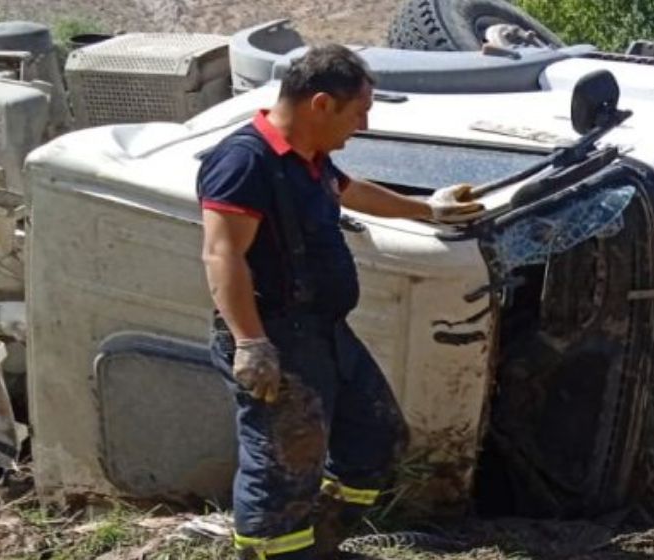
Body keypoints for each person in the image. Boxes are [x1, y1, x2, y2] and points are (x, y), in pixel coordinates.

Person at [197, 45, 483, 560]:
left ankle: (320, 539)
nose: (365, 125)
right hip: (276, 336)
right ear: (322, 104)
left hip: (325, 332)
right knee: (282, 465)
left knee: (377, 437)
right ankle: (272, 551)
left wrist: (428, 211)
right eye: (360, 111)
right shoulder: (244, 162)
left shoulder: (310, 157)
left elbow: (348, 192)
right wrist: (251, 342)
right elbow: (222, 255)